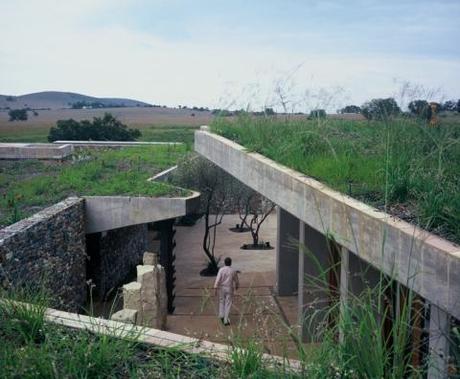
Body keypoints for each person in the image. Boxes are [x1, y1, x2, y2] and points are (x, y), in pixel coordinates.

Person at [214, 257, 239, 326]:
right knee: (228, 303)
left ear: (225, 263)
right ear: (230, 263)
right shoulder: (233, 271)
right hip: (229, 288)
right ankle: (226, 319)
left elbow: (218, 279)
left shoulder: (221, 270)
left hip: (222, 288)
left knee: (221, 301)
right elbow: (236, 280)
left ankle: (221, 315)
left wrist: (215, 287)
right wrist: (237, 286)